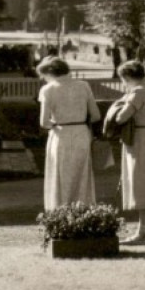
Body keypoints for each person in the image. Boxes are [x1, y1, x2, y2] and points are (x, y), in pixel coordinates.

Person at [106, 60, 145, 244]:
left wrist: (121, 102)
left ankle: (144, 232)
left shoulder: (137, 93)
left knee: (141, 185)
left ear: (126, 77)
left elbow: (120, 118)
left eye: (122, 79)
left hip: (139, 141)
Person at [37, 55, 100, 209]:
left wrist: (55, 123)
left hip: (61, 133)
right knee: (82, 175)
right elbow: (96, 115)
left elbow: (44, 122)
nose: (44, 79)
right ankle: (82, 211)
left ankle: (60, 212)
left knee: (61, 176)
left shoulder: (48, 89)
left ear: (50, 73)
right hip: (81, 133)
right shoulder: (84, 86)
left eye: (44, 76)